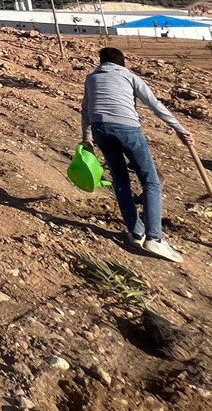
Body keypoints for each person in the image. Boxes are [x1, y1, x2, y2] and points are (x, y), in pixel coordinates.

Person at [82, 47, 193, 263]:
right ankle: (154, 238)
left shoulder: (91, 77)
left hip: (100, 129)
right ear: (122, 62)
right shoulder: (129, 76)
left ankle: (136, 233)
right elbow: (154, 105)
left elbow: (85, 108)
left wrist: (87, 137)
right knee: (150, 181)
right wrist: (180, 129)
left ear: (101, 62)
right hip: (127, 129)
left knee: (121, 181)